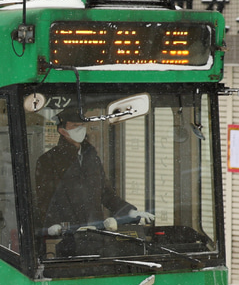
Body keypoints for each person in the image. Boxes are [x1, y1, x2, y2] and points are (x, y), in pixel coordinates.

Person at [34, 106, 153, 254]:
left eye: (82, 125)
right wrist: (52, 225)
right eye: (75, 126)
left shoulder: (91, 158)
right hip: (65, 239)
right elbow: (44, 199)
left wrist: (130, 213)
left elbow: (107, 194)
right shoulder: (48, 161)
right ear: (62, 131)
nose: (81, 130)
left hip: (97, 237)